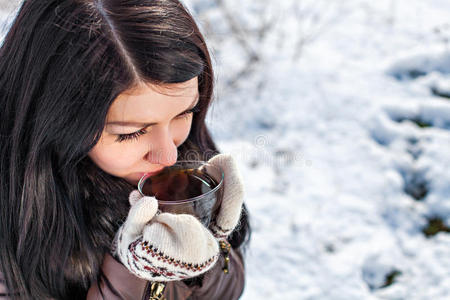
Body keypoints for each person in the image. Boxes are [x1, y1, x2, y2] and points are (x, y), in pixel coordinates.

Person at [0, 0, 250, 299]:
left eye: (185, 113)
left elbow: (228, 291)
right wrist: (135, 272)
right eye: (132, 132)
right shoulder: (12, 211)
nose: (169, 154)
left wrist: (209, 248)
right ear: (56, 120)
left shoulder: (186, 163)